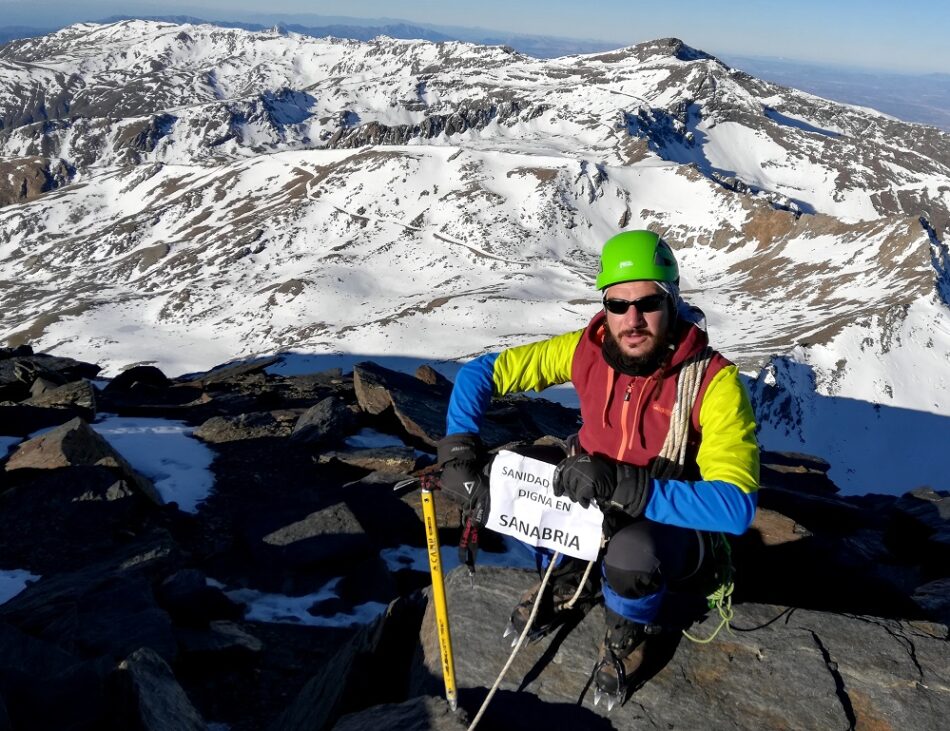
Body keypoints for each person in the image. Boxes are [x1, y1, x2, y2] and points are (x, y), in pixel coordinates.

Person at [436, 229, 759, 706]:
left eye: (648, 302)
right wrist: (458, 449)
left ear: (672, 302)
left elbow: (734, 508)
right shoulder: (585, 349)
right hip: (593, 492)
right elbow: (482, 373)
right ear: (603, 306)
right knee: (519, 481)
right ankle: (570, 578)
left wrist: (627, 485)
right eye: (617, 304)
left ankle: (629, 630)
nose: (633, 319)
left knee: (632, 552)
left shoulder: (714, 383)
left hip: (667, 517)